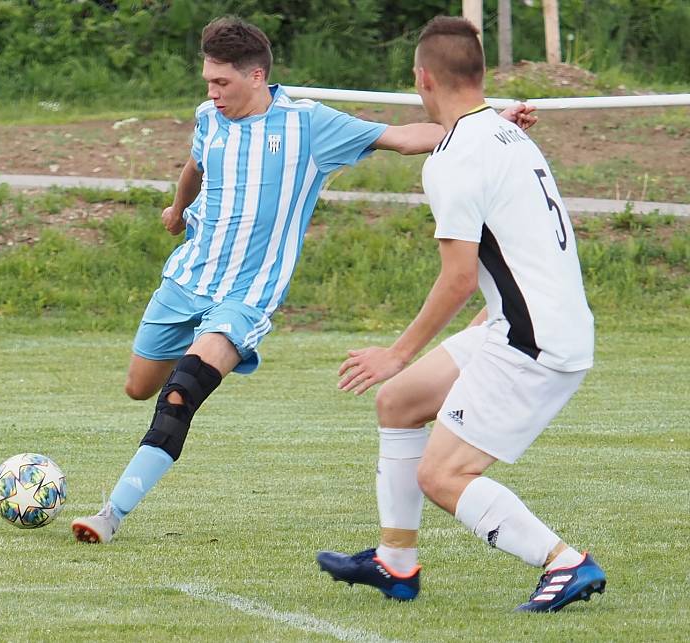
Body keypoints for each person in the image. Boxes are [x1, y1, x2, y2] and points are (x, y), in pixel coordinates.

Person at [70, 16, 536, 547]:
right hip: (185, 280)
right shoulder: (208, 117)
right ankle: (190, 360)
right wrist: (178, 209)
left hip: (247, 297)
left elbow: (407, 137)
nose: (212, 93)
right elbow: (195, 163)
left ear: (256, 76)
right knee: (139, 386)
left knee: (181, 394)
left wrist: (489, 122)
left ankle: (110, 513)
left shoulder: (308, 125)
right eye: (207, 82)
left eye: (222, 83)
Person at [316, 16, 606, 613]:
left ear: (422, 77)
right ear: (479, 75)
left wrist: (396, 353)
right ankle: (395, 563)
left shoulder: (455, 157)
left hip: (534, 341)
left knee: (441, 475)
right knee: (397, 403)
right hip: (523, 323)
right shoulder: (507, 135)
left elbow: (455, 278)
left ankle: (564, 562)